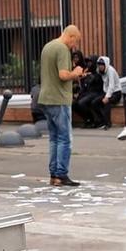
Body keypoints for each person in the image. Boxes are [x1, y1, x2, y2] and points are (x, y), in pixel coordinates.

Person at [37, 24, 87, 187]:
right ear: (71, 36)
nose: (75, 46)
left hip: (46, 97)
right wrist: (76, 73)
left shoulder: (48, 46)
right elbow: (63, 75)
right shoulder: (63, 49)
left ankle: (54, 174)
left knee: (54, 138)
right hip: (59, 99)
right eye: (75, 41)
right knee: (65, 138)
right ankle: (61, 174)